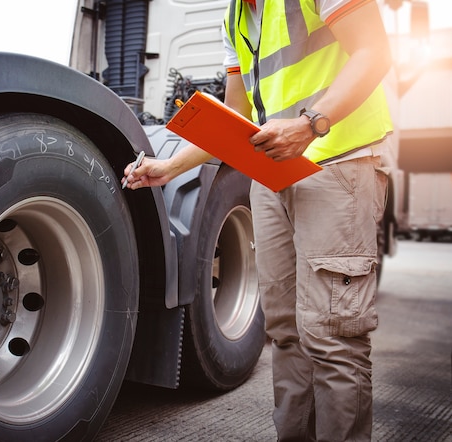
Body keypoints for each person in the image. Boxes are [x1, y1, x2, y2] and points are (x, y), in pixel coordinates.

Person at [122, 0, 393, 440]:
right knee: (286, 330)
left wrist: (309, 126)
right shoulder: (235, 16)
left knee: (332, 336)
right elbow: (239, 121)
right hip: (273, 175)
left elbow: (374, 51)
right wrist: (170, 167)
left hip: (338, 164)